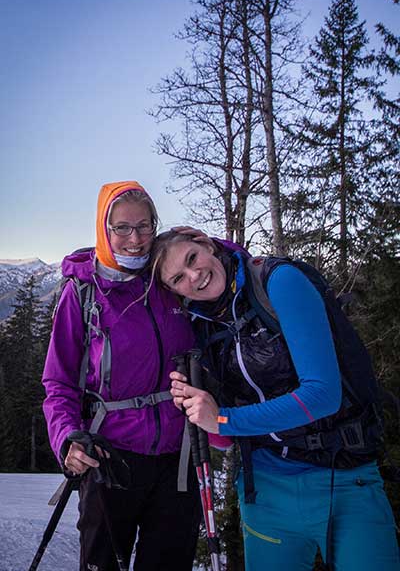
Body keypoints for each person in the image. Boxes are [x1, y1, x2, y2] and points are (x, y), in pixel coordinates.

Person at [151, 230, 400, 571]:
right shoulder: (203, 327)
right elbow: (224, 440)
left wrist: (222, 418)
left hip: (343, 479)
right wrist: (198, 406)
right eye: (178, 278)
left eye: (192, 259)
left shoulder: (278, 282)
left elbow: (323, 395)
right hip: (265, 490)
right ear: (174, 291)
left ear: (207, 245)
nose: (194, 276)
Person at [42, 182, 201, 571]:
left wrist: (210, 242)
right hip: (108, 460)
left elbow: (220, 268)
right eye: (122, 228)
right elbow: (58, 382)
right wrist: (66, 439)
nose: (135, 239)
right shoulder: (83, 292)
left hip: (177, 462)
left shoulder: (170, 281)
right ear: (104, 228)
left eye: (145, 227)